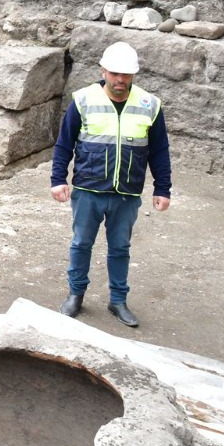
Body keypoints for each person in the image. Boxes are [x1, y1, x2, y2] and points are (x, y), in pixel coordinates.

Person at [51, 41, 171, 328]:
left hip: (126, 194)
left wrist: (163, 188)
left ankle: (118, 300)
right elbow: (64, 143)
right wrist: (58, 179)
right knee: (81, 244)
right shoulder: (83, 100)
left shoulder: (149, 105)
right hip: (88, 190)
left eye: (126, 75)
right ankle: (75, 294)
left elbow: (159, 149)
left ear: (134, 75)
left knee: (120, 248)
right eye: (115, 73)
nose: (120, 80)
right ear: (103, 70)